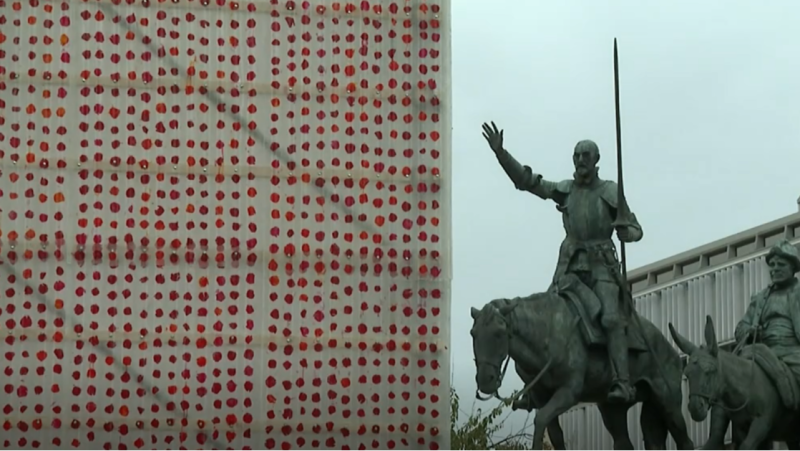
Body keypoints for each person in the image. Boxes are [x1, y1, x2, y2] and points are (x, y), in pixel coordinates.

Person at [481, 121, 643, 403]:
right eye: (577, 156)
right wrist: (501, 154)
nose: (580, 160)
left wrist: (625, 231)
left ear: (596, 161)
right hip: (569, 270)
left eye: (586, 156)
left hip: (602, 268)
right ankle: (537, 390)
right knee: (543, 319)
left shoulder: (609, 191)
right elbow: (528, 182)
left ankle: (623, 381)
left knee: (610, 318)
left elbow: (635, 229)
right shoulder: (566, 190)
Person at [706, 239, 800, 446]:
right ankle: (715, 439)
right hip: (760, 352)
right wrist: (748, 330)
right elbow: (741, 327)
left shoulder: (798, 293)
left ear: (793, 267)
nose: (774, 269)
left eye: (780, 265)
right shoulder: (759, 298)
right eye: (772, 265)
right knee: (726, 377)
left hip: (792, 351)